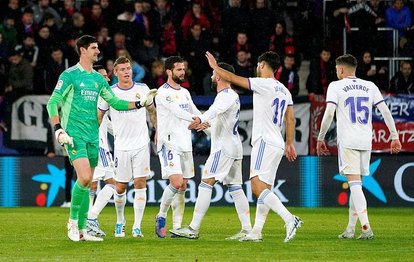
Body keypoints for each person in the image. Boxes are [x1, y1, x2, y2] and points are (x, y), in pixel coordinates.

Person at [46, 35, 157, 242]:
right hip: (74, 135)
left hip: (93, 136)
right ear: (83, 50)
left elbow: (115, 102)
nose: (98, 51)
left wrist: (140, 103)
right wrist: (58, 129)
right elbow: (52, 103)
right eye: (94, 48)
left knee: (88, 184)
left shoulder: (98, 80)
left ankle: (82, 230)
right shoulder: (69, 75)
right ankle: (71, 221)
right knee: (86, 177)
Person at [205, 51, 303, 243]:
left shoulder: (263, 84)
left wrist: (215, 67)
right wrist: (289, 143)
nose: (257, 68)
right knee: (265, 188)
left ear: (262, 65)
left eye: (259, 65)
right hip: (277, 143)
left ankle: (289, 218)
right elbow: (290, 119)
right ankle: (256, 231)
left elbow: (233, 78)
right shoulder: (285, 90)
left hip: (264, 141)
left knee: (257, 187)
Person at [316, 54, 402, 240]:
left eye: (336, 69)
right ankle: (349, 229)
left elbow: (329, 112)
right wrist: (394, 136)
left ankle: (366, 227)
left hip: (348, 140)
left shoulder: (335, 86)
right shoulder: (370, 86)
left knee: (354, 185)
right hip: (365, 140)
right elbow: (385, 111)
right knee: (357, 185)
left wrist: (320, 137)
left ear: (340, 69)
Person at [169, 62, 252, 240]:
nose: (212, 76)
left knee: (206, 182)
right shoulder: (230, 95)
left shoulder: (226, 95)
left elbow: (214, 110)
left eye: (214, 73)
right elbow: (220, 118)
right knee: (236, 187)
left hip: (223, 148)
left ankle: (193, 228)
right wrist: (206, 124)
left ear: (220, 76)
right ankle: (247, 230)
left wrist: (200, 118)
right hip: (233, 146)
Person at [98, 56, 157, 238]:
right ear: (115, 73)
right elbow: (99, 115)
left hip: (141, 143)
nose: (126, 72)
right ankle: (120, 221)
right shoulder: (109, 92)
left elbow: (152, 111)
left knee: (140, 183)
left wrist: (157, 130)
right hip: (121, 145)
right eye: (122, 69)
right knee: (120, 187)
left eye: (128, 68)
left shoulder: (143, 89)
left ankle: (137, 226)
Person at [154, 56, 201, 238]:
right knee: (176, 182)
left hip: (185, 143)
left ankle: (177, 227)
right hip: (168, 142)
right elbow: (178, 112)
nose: (182, 72)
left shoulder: (185, 92)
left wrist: (202, 120)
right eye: (179, 69)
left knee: (183, 186)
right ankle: (161, 215)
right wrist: (195, 119)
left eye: (183, 69)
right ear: (169, 72)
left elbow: (193, 110)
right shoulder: (162, 93)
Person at [85, 64, 116, 237]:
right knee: (111, 182)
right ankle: (90, 218)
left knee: (92, 184)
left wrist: (121, 134)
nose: (108, 79)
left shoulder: (91, 97)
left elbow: (108, 124)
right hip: (98, 146)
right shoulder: (97, 98)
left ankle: (87, 221)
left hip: (95, 145)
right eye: (104, 76)